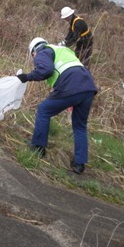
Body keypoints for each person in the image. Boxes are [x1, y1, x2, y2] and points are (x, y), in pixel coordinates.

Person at [17, 37, 98, 174]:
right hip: (88, 86)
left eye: (32, 56)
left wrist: (26, 77)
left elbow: (46, 70)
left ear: (33, 51)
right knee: (79, 126)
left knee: (43, 110)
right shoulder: (63, 49)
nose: (34, 58)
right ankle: (79, 164)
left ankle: (38, 147)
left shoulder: (42, 51)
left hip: (70, 84)